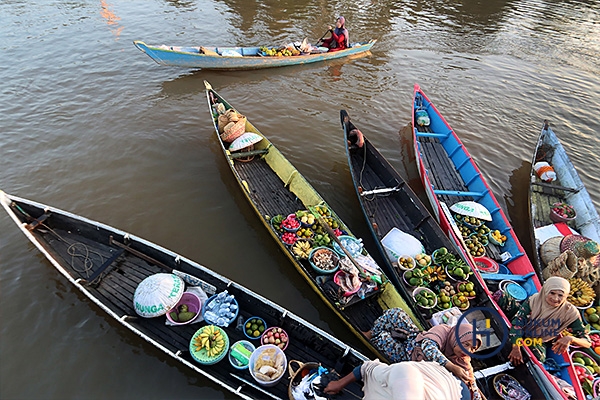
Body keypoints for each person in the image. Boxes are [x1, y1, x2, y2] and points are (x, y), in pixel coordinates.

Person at [364, 308, 481, 386]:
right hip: (415, 341)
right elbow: (428, 347)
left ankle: (377, 337)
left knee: (383, 338)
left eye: (473, 349)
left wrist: (477, 392)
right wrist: (452, 367)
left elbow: (470, 378)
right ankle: (368, 334)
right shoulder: (445, 330)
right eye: (465, 344)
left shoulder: (463, 359)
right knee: (396, 313)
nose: (468, 350)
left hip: (412, 361)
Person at [507, 276, 591, 365]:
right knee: (505, 299)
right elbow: (518, 322)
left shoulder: (570, 313)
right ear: (545, 291)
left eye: (560, 295)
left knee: (538, 359)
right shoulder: (534, 300)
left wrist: (570, 338)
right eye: (552, 293)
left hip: (537, 339)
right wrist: (516, 347)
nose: (555, 298)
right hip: (521, 329)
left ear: (566, 296)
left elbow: (587, 343)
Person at [324, 359, 471, 400]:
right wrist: (339, 383)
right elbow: (367, 367)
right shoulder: (398, 374)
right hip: (439, 380)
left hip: (453, 391)